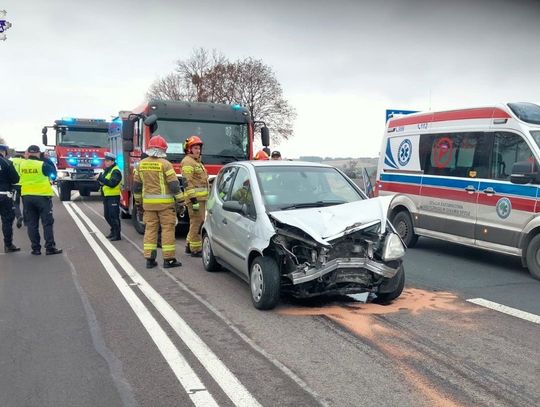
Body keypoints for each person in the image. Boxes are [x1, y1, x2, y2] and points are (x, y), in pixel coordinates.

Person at [133, 136, 183, 269]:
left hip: (148, 205)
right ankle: (169, 260)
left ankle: (150, 259)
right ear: (163, 149)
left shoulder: (141, 164)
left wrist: (138, 203)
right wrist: (181, 200)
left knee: (150, 230)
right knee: (167, 230)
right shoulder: (165, 164)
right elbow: (174, 185)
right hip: (165, 205)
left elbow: (136, 187)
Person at [19, 145, 62, 255]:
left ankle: (36, 249)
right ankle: (49, 247)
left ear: (28, 153)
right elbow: (53, 175)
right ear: (38, 153)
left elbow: (16, 177)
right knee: (47, 223)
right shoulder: (42, 164)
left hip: (27, 197)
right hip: (42, 197)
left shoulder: (21, 164)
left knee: (32, 224)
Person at [181, 135, 209, 257]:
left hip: (200, 199)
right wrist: (193, 200)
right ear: (189, 149)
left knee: (195, 222)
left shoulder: (196, 162)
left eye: (199, 148)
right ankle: (195, 249)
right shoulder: (188, 162)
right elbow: (188, 182)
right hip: (195, 200)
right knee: (197, 223)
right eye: (195, 148)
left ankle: (189, 245)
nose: (198, 150)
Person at [97, 152, 122, 241]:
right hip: (107, 196)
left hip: (113, 197)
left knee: (114, 216)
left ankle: (117, 234)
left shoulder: (116, 171)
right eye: (105, 161)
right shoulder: (107, 170)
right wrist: (100, 181)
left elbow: (112, 183)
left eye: (108, 161)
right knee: (107, 216)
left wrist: (101, 179)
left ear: (112, 161)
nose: (106, 162)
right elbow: (104, 181)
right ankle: (113, 231)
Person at [0, 144, 20, 252]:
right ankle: (8, 245)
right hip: (3, 195)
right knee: (7, 220)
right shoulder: (7, 163)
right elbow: (15, 179)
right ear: (4, 152)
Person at [10, 151, 24, 228]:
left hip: (14, 185)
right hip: (24, 185)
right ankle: (27, 219)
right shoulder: (24, 162)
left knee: (15, 203)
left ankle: (19, 216)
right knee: (26, 203)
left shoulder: (10, 161)